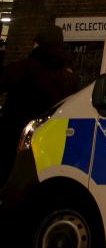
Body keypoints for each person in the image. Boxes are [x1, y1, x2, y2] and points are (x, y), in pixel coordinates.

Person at [0, 25, 80, 185]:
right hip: (49, 142)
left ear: (38, 44)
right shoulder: (70, 78)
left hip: (16, 138)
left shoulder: (24, 68)